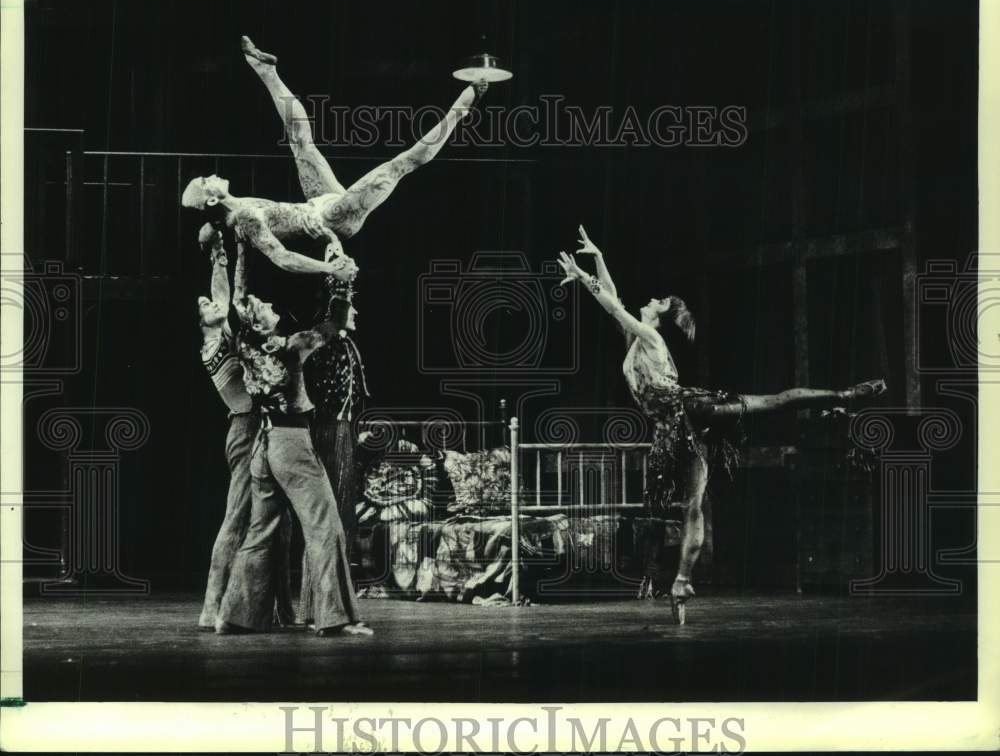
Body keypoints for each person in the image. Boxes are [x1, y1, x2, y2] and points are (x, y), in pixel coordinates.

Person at [557, 225, 887, 624]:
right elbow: (614, 298)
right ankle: (681, 582)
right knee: (692, 504)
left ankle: (845, 396)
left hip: (694, 409)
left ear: (657, 317)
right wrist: (596, 257)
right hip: (670, 429)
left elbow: (612, 305)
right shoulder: (634, 341)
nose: (649, 299)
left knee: (774, 401)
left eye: (657, 301)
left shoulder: (651, 340)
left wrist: (585, 276)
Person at [181, 36, 485, 275]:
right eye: (206, 181)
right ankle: (465, 103)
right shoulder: (243, 218)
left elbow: (241, 275)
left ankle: (266, 71)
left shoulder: (238, 215)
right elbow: (282, 258)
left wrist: (236, 294)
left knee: (300, 142)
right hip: (335, 218)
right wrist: (330, 268)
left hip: (318, 203)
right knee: (398, 166)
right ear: (211, 199)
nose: (212, 175)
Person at [214, 241, 371, 637]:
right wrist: (342, 282)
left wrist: (241, 251)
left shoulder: (245, 345)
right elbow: (333, 325)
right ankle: (338, 618)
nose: (268, 305)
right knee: (325, 527)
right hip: (291, 445)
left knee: (260, 531)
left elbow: (238, 298)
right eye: (265, 308)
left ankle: (233, 616)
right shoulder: (290, 348)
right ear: (263, 324)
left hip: (263, 448)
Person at [195, 230, 294, 629]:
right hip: (246, 428)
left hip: (264, 427)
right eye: (203, 306)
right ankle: (211, 605)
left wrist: (221, 253)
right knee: (237, 517)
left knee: (279, 521)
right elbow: (220, 305)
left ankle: (282, 608)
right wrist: (222, 257)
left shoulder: (226, 337)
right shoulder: (212, 346)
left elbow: (222, 297)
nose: (209, 304)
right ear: (202, 321)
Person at [298, 271, 371, 621]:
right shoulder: (326, 342)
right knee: (327, 518)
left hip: (342, 432)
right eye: (350, 307)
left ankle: (332, 602)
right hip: (325, 431)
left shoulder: (343, 344)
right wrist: (338, 280)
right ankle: (319, 604)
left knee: (342, 516)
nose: (355, 313)